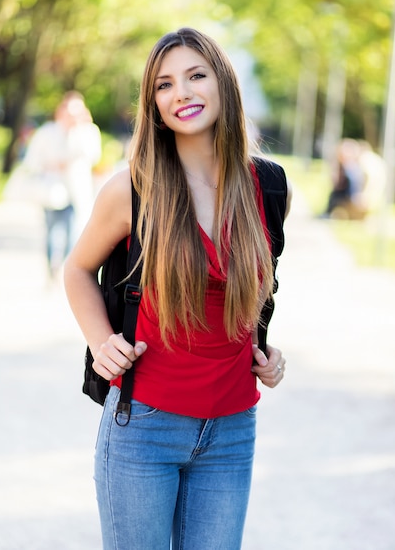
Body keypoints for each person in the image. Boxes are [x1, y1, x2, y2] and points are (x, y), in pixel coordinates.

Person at [64, 27, 292, 550]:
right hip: (144, 425)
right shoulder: (132, 190)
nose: (182, 93)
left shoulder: (269, 185)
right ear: (154, 105)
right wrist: (102, 342)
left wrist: (267, 352)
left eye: (196, 75)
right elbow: (76, 270)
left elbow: (258, 286)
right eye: (165, 85)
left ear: (223, 85)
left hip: (233, 429)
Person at [23, 92, 101, 277]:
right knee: (53, 230)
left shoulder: (88, 131)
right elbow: (32, 160)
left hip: (78, 190)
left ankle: (66, 267)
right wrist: (53, 165)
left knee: (74, 229)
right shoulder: (47, 131)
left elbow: (93, 156)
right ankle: (53, 266)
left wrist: (79, 130)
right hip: (52, 190)